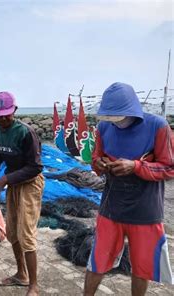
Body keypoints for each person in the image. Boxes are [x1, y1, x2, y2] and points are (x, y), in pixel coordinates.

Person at [84, 82, 174, 295]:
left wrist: (136, 166)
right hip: (111, 207)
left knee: (141, 265)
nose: (115, 122)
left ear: (133, 110)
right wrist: (99, 164)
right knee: (98, 258)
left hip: (146, 209)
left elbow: (169, 168)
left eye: (119, 117)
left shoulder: (158, 126)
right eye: (110, 117)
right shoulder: (104, 127)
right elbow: (96, 157)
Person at [0, 91, 44, 296]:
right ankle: (21, 274)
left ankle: (33, 285)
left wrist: (4, 180)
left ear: (14, 111)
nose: (2, 119)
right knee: (12, 232)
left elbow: (35, 167)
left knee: (26, 233)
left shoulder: (26, 133)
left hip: (30, 184)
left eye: (6, 115)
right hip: (13, 184)